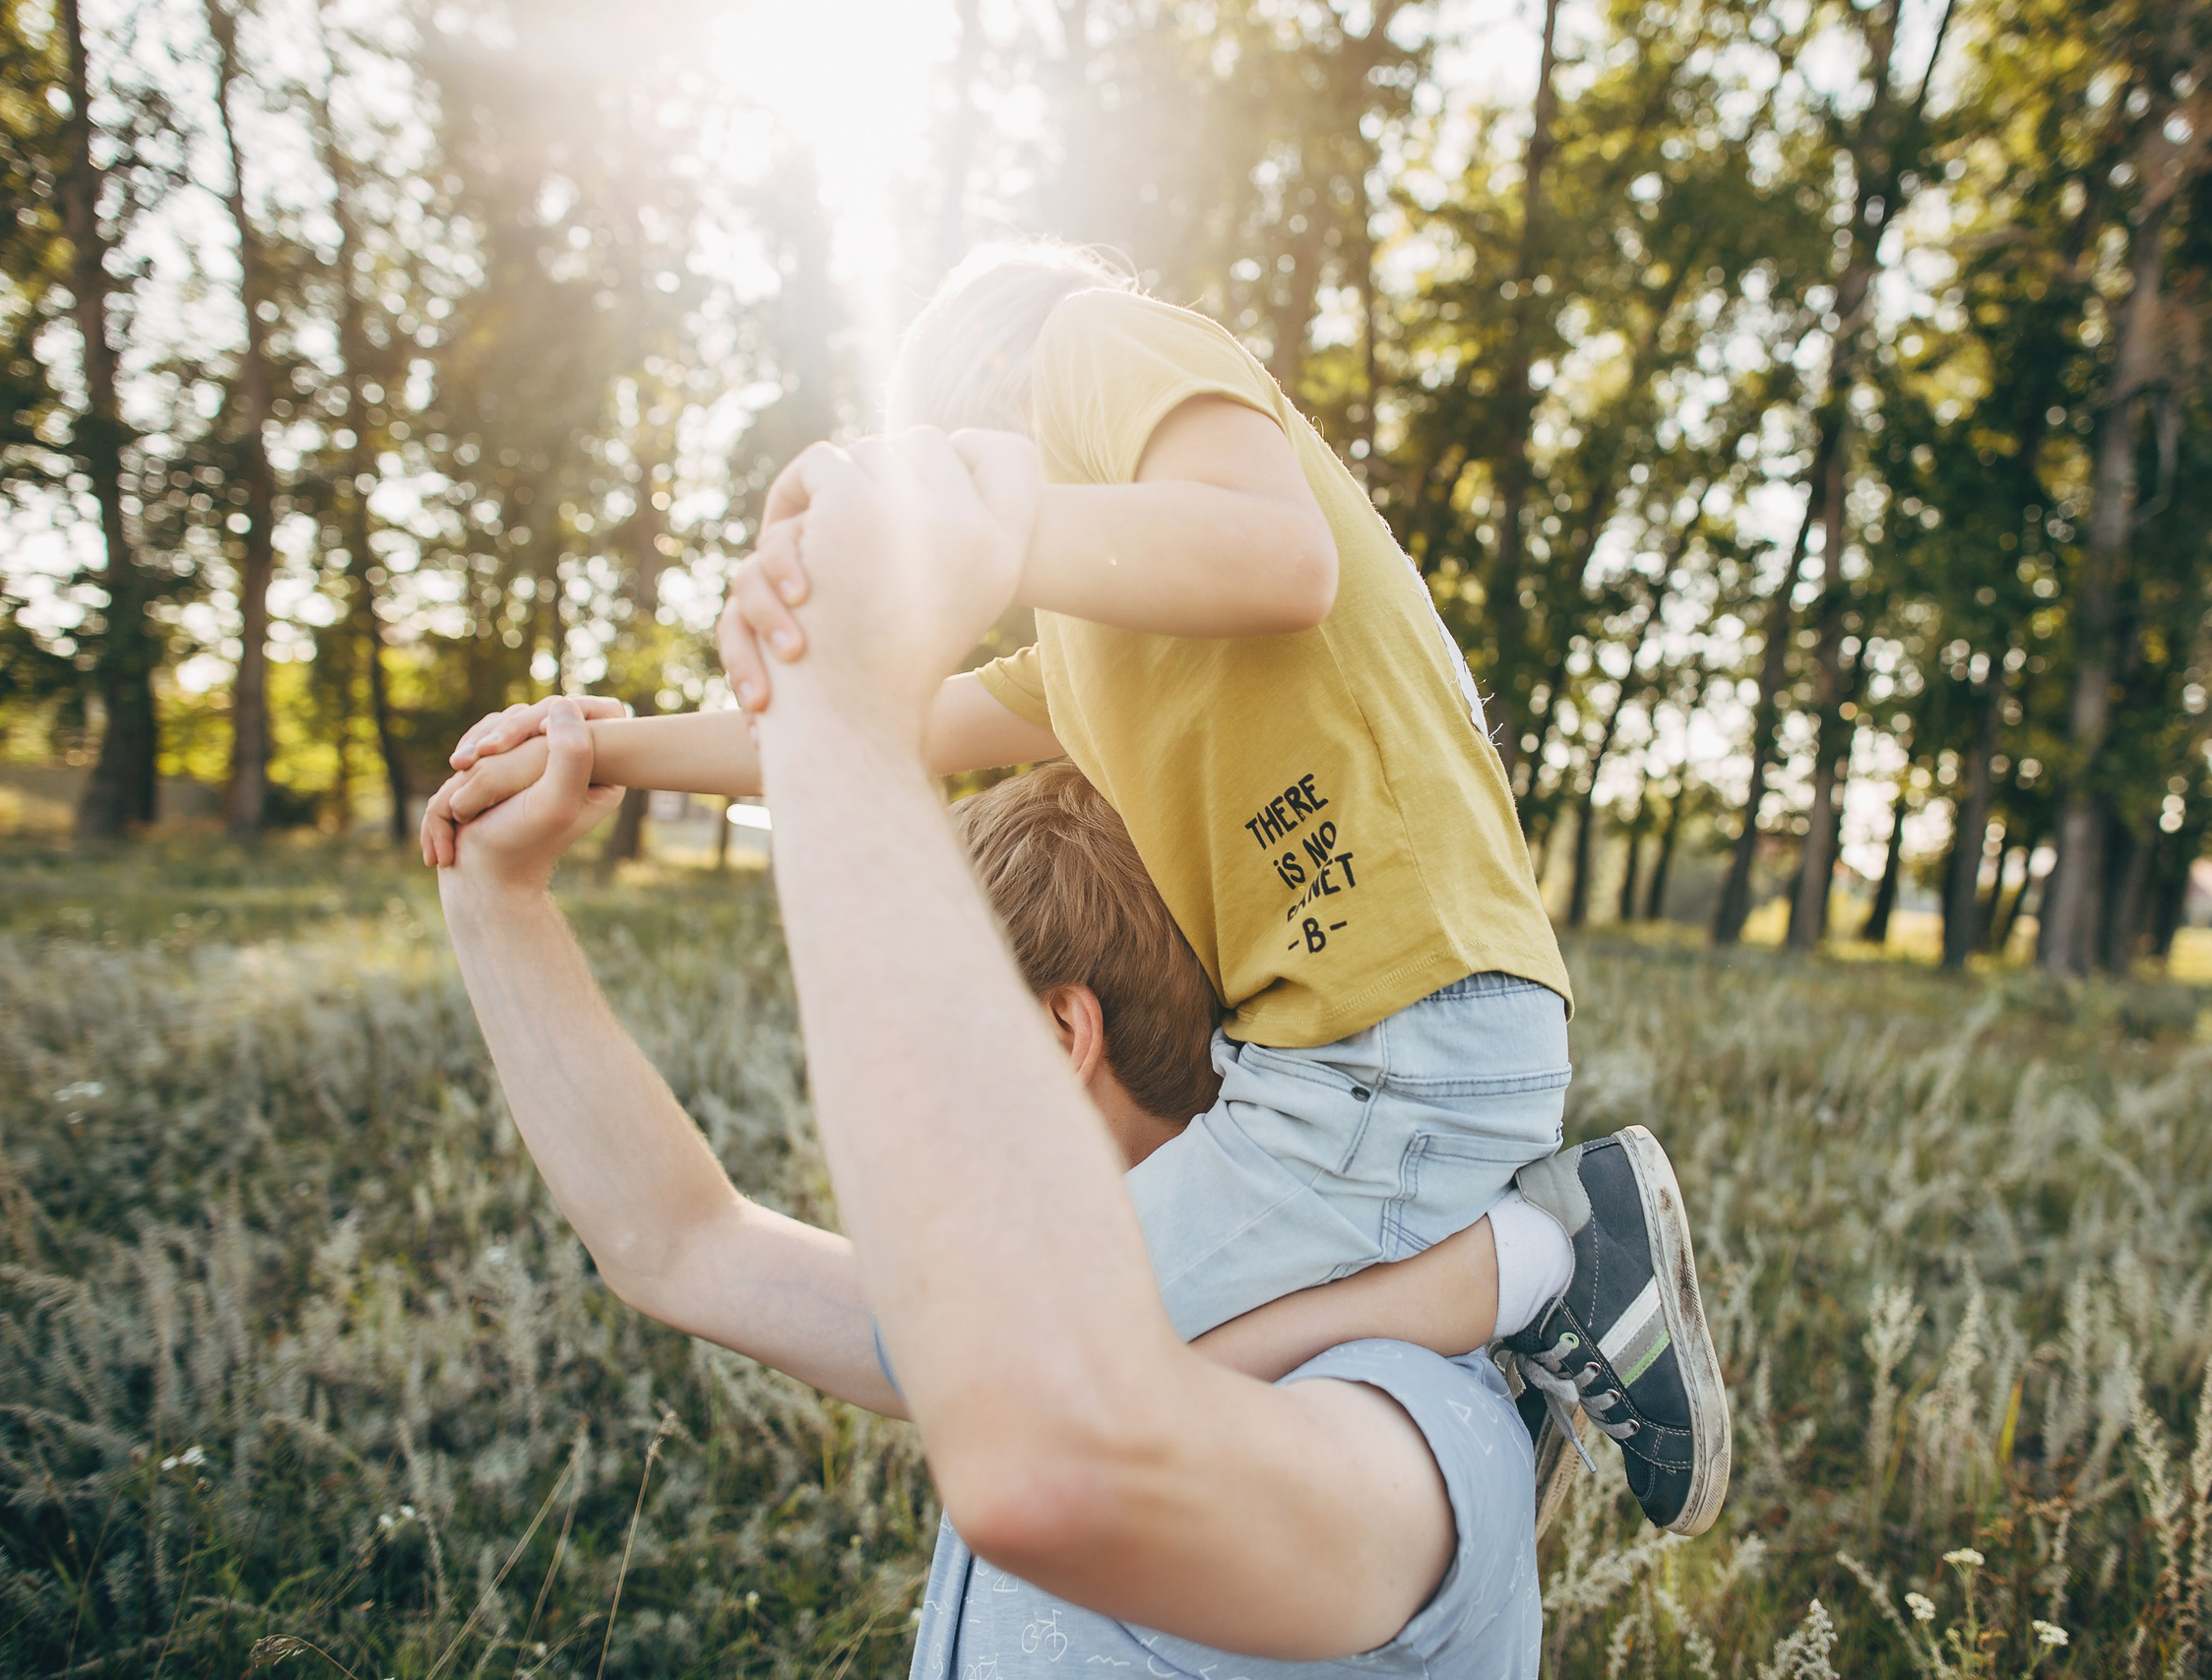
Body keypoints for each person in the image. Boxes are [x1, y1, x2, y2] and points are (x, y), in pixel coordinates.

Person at [424, 241, 1728, 1531]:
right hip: (1371, 1052)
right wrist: (598, 746)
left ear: (984, 397)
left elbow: (1283, 554)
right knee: (1036, 1371)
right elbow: (852, 718)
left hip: (1390, 1042)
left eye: (948, 456)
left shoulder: (1100, 343)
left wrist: (962, 519)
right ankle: (1506, 1296)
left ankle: (1539, 1266)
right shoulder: (1093, 649)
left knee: (1005, 1359)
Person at [434, 689, 1537, 1669]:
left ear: (1060, 1031)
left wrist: (1481, 1283)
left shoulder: (1401, 1425)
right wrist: (496, 890)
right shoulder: (1044, 1318)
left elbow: (1044, 1464)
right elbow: (678, 1246)